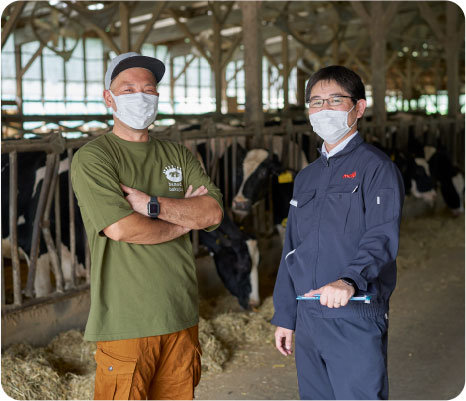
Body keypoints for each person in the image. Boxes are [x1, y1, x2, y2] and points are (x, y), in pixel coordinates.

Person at [71, 52, 223, 400]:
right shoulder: (95, 157)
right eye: (127, 89)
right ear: (109, 98)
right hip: (126, 322)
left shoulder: (179, 155)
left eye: (149, 89)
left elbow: (212, 213)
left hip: (181, 315)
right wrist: (184, 222)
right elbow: (123, 228)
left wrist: (152, 205)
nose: (140, 96)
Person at [271, 65, 404, 400]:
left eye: (334, 100)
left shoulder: (377, 168)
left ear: (358, 108)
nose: (323, 110)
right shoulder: (306, 177)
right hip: (309, 315)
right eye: (316, 102)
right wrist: (286, 315)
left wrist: (349, 279)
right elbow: (292, 249)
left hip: (354, 310)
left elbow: (381, 236)